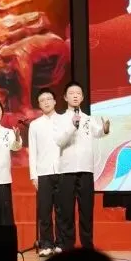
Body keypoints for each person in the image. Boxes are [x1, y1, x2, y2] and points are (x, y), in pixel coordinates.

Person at [54, 82, 110, 250]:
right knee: (67, 210)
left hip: (86, 169)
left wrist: (105, 129)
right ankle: (67, 245)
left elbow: (98, 132)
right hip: (67, 170)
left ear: (83, 97)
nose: (75, 95)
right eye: (71, 93)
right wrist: (73, 125)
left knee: (86, 210)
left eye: (78, 93)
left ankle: (87, 246)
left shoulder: (88, 118)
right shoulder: (60, 119)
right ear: (65, 97)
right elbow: (59, 141)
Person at [28, 88, 64, 256]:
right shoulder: (35, 125)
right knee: (44, 211)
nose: (46, 102)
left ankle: (61, 243)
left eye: (49, 99)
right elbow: (32, 152)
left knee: (62, 210)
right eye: (42, 100)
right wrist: (33, 175)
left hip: (63, 171)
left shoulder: (64, 120)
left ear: (55, 101)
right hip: (43, 173)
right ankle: (46, 244)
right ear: (39, 104)